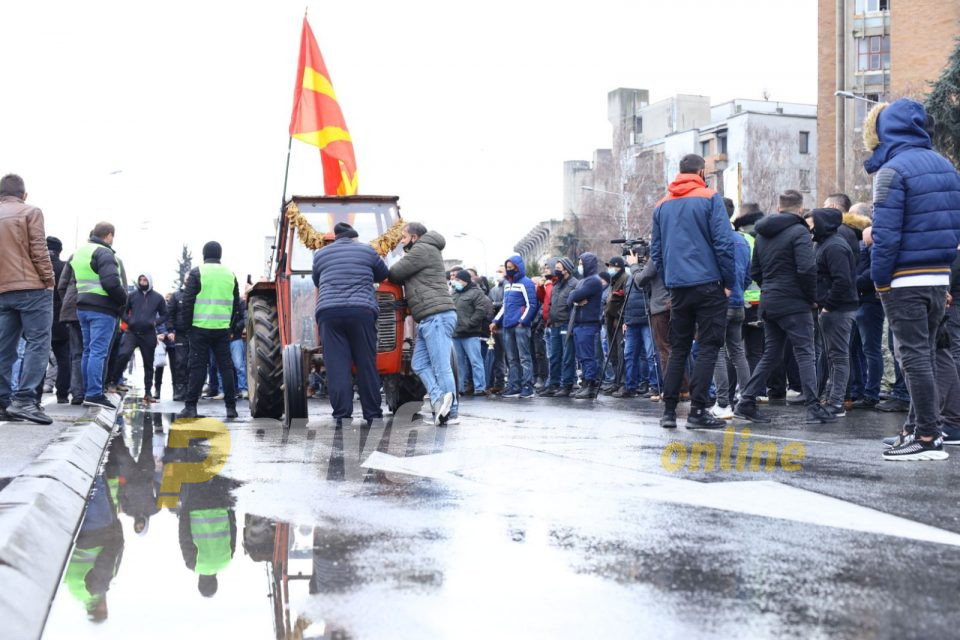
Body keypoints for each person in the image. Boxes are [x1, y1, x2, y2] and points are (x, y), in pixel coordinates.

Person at [864, 99, 960, 460]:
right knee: (928, 354)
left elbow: (886, 234)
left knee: (913, 357)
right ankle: (916, 428)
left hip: (904, 277)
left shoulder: (892, 170)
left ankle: (925, 437)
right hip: (938, 276)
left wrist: (880, 279)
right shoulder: (945, 166)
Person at [734, 191, 835, 424]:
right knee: (805, 353)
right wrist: (811, 297)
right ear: (800, 210)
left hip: (769, 301)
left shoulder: (762, 234)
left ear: (778, 208)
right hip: (795, 303)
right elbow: (807, 269)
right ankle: (813, 406)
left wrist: (770, 288)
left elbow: (755, 272)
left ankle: (746, 401)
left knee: (771, 354)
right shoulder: (799, 232)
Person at [650, 154, 735, 429]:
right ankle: (697, 411)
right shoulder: (710, 198)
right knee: (708, 346)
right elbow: (723, 243)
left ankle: (669, 412)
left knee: (678, 349)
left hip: (678, 287)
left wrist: (670, 280)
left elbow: (656, 252)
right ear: (701, 171)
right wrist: (728, 282)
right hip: (709, 283)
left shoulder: (662, 205)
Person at [312, 222, 389, 425]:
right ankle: (372, 415)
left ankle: (342, 416)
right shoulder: (367, 250)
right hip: (361, 311)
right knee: (366, 364)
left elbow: (317, 281)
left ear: (335, 237)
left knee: (337, 367)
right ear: (354, 237)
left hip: (329, 313)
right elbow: (383, 273)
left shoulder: (320, 254)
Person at [389, 222, 457, 424]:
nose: (401, 241)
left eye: (403, 237)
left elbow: (395, 273)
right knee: (418, 363)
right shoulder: (425, 248)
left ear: (414, 237)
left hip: (436, 316)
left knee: (441, 366)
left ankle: (451, 412)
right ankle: (438, 400)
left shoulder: (421, 250)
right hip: (429, 317)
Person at [0, 175, 56, 424]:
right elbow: (39, 250)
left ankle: (2, 402)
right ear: (24, 194)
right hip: (32, 289)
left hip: (2, 292)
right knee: (38, 342)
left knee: (4, 348)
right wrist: (49, 280)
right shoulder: (30, 212)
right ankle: (24, 401)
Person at [68, 222, 127, 410]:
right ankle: (94, 393)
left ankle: (88, 392)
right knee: (98, 352)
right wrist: (123, 301)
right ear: (109, 235)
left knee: (87, 351)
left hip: (82, 306)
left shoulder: (80, 252)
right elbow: (111, 283)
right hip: (102, 308)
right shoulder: (104, 252)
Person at [179, 241, 241, 420]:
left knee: (197, 367)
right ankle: (231, 408)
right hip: (221, 329)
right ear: (220, 255)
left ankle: (191, 407)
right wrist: (229, 325)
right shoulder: (230, 275)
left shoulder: (197, 273)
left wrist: (187, 327)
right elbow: (235, 303)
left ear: (204, 255)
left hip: (199, 328)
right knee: (226, 367)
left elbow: (188, 301)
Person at [812, 208, 859, 417]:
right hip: (833, 308)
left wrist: (828, 305)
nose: (811, 225)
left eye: (814, 221)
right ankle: (832, 398)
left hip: (838, 309)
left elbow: (842, 280)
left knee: (838, 357)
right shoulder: (827, 244)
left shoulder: (835, 247)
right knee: (833, 357)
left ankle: (836, 402)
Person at [710, 218, 753, 420]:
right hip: (738, 302)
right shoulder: (742, 240)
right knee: (737, 351)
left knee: (717, 352)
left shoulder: (714, 240)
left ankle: (722, 403)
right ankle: (746, 398)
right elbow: (748, 275)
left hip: (719, 303)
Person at [114, 273, 168, 403]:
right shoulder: (132, 296)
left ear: (149, 281)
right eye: (140, 280)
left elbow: (165, 315)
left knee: (148, 364)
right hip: (132, 332)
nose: (142, 282)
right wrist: (129, 320)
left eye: (145, 280)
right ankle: (114, 381)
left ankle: (148, 392)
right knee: (123, 354)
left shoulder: (158, 298)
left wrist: (155, 323)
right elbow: (122, 311)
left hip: (148, 334)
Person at [491, 254, 538, 398]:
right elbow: (505, 306)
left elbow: (532, 304)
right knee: (512, 358)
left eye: (511, 267)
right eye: (507, 268)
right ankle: (515, 385)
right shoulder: (508, 285)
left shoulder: (526, 283)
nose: (508, 270)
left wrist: (522, 321)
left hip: (520, 326)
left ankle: (527, 386)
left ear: (518, 267)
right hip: (508, 326)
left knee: (524, 357)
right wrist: (495, 321)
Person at [542, 258, 579, 397]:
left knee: (567, 356)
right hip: (555, 325)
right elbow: (551, 304)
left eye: (559, 267)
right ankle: (553, 384)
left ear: (566, 269)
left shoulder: (574, 284)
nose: (556, 270)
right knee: (554, 356)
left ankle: (567, 384)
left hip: (566, 324)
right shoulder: (557, 285)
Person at [569, 253, 604, 399]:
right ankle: (585, 382)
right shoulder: (583, 281)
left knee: (588, 356)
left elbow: (574, 296)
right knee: (582, 356)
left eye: (581, 263)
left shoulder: (593, 281)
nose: (580, 266)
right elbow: (570, 298)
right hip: (579, 324)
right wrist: (575, 297)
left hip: (588, 324)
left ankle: (590, 385)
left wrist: (575, 297)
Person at [57, 239, 85, 405]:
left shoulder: (75, 256)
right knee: (95, 353)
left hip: (73, 311)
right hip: (98, 312)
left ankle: (77, 394)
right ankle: (92, 392)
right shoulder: (107, 255)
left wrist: (67, 303)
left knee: (76, 354)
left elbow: (62, 286)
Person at [452, 269, 488, 397]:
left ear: (465, 281)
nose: (455, 282)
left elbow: (480, 311)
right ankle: (460, 388)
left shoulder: (476, 293)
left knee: (475, 361)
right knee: (458, 364)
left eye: (458, 280)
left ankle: (480, 388)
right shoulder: (454, 293)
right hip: (456, 334)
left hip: (470, 333)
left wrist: (469, 324)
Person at [47, 236, 72, 403]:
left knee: (34, 355)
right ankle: (62, 395)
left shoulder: (34, 265)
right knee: (64, 358)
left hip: (36, 317)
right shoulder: (64, 267)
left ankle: (31, 397)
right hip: (59, 319)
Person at [600, 256, 628, 395]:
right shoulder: (613, 281)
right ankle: (616, 382)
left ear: (619, 267)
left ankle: (622, 382)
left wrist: (621, 317)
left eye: (612, 266)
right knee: (613, 353)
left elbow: (626, 301)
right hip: (609, 320)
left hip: (618, 321)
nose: (610, 269)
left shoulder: (625, 279)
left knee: (620, 351)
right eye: (609, 266)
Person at [166, 287, 190, 401]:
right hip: (180, 334)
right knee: (180, 362)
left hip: (195, 333)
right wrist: (170, 330)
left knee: (194, 362)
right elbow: (169, 314)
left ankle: (192, 390)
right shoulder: (176, 296)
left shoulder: (199, 295)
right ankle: (179, 390)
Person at [486, 266, 507, 393]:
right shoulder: (493, 290)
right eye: (497, 271)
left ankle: (515, 382)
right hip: (495, 327)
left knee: (510, 357)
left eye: (500, 271)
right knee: (498, 357)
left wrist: (495, 305)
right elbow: (489, 305)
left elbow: (507, 304)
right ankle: (499, 383)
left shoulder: (508, 286)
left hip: (505, 325)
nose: (498, 274)